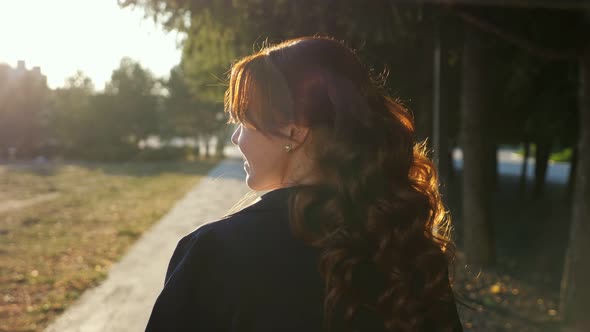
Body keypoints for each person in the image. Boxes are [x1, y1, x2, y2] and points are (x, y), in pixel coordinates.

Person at [145, 36, 464, 332]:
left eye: (244, 121)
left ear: (293, 132)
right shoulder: (406, 247)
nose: (236, 137)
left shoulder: (215, 253)